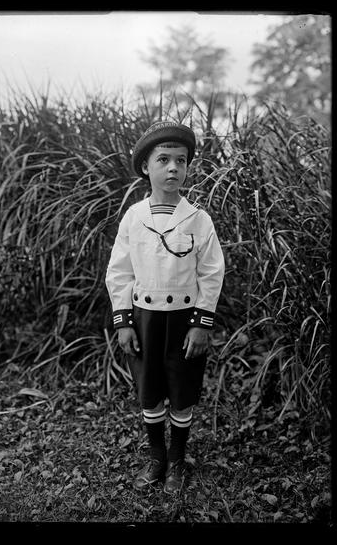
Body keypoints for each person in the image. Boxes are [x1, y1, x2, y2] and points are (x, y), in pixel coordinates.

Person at [105, 121, 225, 494]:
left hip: (184, 319)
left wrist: (202, 323)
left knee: (182, 388)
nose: (173, 168)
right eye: (164, 160)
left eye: (181, 160)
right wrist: (124, 321)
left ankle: (177, 459)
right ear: (147, 167)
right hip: (145, 320)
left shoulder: (198, 219)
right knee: (150, 388)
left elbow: (211, 272)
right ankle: (156, 456)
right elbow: (119, 271)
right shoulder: (134, 218)